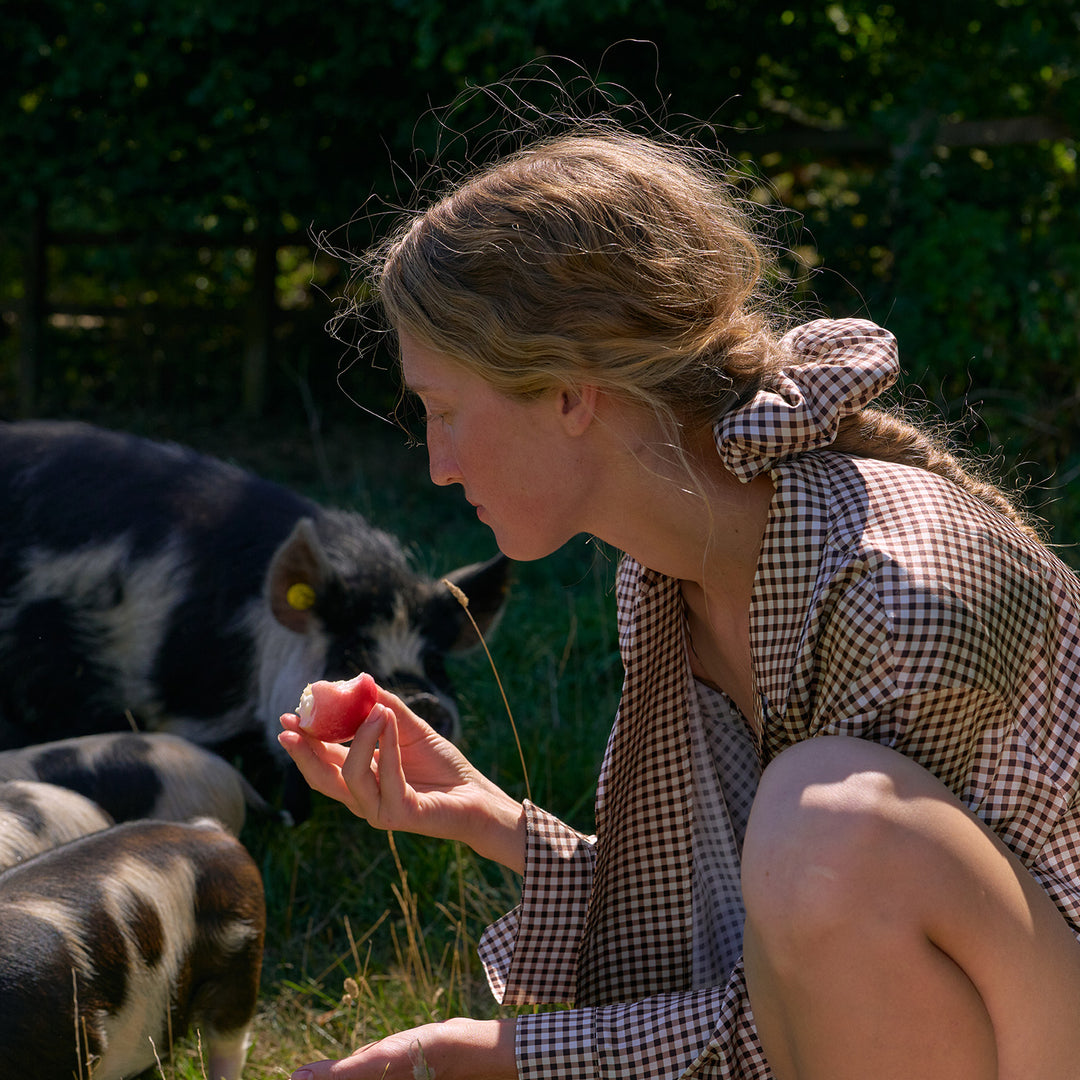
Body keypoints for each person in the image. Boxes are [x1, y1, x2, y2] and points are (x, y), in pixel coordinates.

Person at [277, 125, 1080, 1080]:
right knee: (816, 828)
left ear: (573, 393)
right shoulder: (666, 572)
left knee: (828, 822)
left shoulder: (892, 599)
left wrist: (479, 1055)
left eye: (445, 410)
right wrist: (483, 815)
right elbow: (761, 943)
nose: (438, 465)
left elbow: (796, 1004)